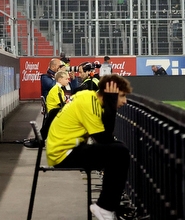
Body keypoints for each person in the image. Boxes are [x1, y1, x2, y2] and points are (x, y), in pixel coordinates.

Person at [46, 75, 133, 220]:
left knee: (119, 149)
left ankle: (108, 205)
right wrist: (111, 103)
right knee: (120, 152)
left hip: (66, 149)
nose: (125, 101)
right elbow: (104, 140)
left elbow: (107, 138)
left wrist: (110, 104)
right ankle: (105, 207)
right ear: (109, 93)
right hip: (63, 154)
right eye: (122, 96)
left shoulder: (90, 98)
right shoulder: (90, 103)